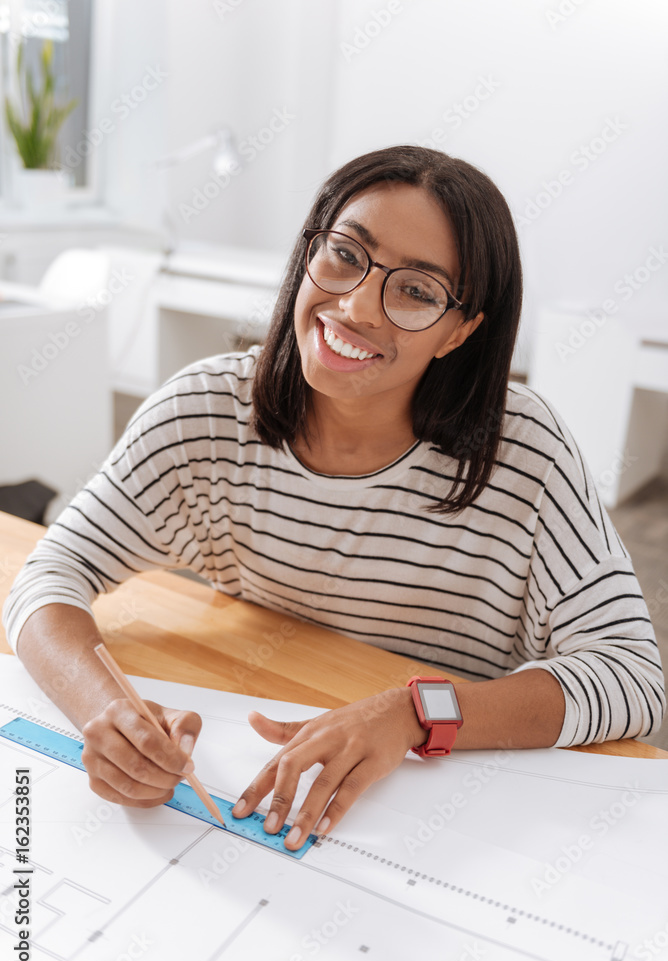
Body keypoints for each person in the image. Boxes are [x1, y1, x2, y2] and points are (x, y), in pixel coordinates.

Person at [3, 145, 664, 853]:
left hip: (455, 808)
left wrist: (413, 713)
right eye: (346, 255)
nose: (355, 307)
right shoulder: (205, 412)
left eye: (416, 292)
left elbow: (633, 680)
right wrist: (107, 712)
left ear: (460, 330)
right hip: (269, 770)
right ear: (309, 252)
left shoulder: (525, 451)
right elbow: (50, 575)